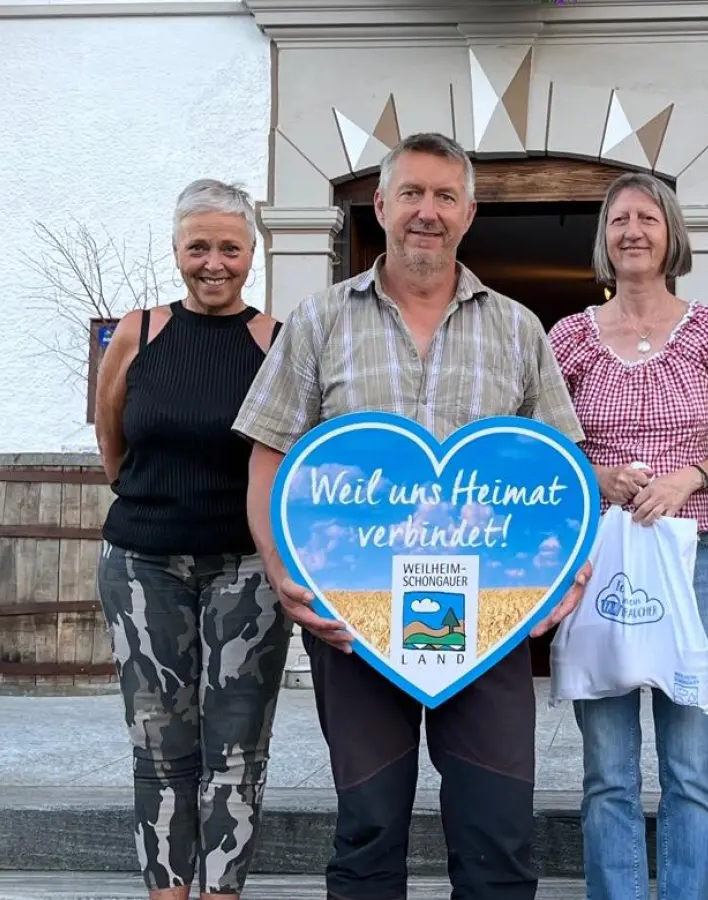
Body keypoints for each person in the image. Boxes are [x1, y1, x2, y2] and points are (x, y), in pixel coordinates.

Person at [232, 131, 593, 900]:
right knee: (367, 826)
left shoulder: (518, 327)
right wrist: (279, 565)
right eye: (412, 194)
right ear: (381, 204)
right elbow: (269, 454)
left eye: (444, 196)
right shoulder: (320, 319)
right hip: (354, 615)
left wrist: (567, 577)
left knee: (498, 832)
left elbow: (564, 470)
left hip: (491, 615)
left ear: (469, 213)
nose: (426, 211)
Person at [546, 171, 708, 900]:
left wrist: (688, 478)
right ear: (605, 238)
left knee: (693, 760)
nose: (633, 231)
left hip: (694, 554)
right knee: (607, 764)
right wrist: (594, 472)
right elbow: (545, 446)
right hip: (599, 555)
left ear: (672, 235)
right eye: (619, 220)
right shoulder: (568, 338)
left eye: (648, 219)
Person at [93, 178, 292, 900]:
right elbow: (112, 439)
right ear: (176, 249)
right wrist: (152, 502)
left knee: (237, 748)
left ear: (252, 255)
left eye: (230, 248)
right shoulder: (138, 332)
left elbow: (288, 455)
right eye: (198, 247)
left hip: (249, 567)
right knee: (158, 742)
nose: (214, 263)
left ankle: (220, 893)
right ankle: (168, 892)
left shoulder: (276, 342)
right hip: (142, 564)